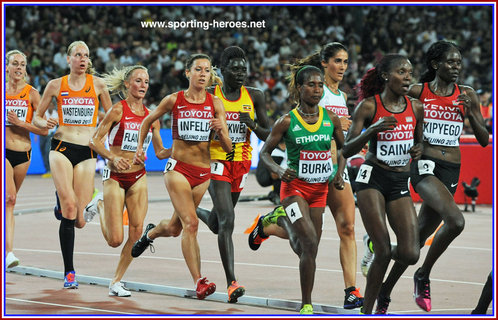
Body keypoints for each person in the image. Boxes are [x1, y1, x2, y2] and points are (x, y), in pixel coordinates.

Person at [370, 41, 489, 314]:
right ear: (436, 65)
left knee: (415, 244)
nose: (456, 67)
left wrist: (471, 111)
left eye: (459, 62)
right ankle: (423, 275)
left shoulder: (467, 94)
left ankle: (384, 290)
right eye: (450, 62)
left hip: (451, 171)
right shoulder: (418, 91)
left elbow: (484, 141)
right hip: (424, 166)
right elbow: (387, 105)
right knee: (456, 221)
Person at [130, 53, 232, 300]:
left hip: (203, 173)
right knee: (192, 224)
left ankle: (151, 233)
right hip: (178, 170)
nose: (202, 74)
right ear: (188, 73)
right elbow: (147, 121)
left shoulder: (215, 104)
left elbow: (229, 149)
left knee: (175, 228)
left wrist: (220, 132)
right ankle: (199, 281)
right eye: (198, 69)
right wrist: (141, 147)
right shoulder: (174, 100)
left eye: (207, 70)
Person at [250, 65, 345, 314]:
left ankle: (273, 223)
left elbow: (344, 150)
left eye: (320, 85)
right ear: (299, 88)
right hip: (294, 190)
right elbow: (265, 153)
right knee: (310, 242)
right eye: (311, 85)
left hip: (319, 191)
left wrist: (340, 174)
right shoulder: (287, 121)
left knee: (306, 248)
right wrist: (280, 171)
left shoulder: (331, 118)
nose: (316, 89)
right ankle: (306, 303)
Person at [342, 54, 424, 314]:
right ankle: (369, 312)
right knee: (384, 250)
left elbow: (419, 142)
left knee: (411, 253)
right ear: (387, 76)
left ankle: (373, 249)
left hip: (400, 180)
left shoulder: (416, 107)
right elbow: (346, 149)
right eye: (402, 72)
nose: (408, 77)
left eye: (410, 72)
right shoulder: (368, 106)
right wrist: (371, 130)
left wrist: (418, 149)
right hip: (373, 178)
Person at [82, 65, 171, 296]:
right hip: (115, 176)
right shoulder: (117, 111)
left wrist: (182, 147)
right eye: (138, 81)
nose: (143, 85)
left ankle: (116, 281)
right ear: (127, 85)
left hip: (138, 176)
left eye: (146, 81)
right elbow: (95, 141)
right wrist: (112, 157)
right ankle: (99, 203)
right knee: (114, 239)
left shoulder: (153, 117)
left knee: (136, 232)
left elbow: (160, 152)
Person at [33, 40, 112, 288]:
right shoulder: (56, 85)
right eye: (78, 55)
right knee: (69, 208)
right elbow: (37, 115)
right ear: (68, 59)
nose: (82, 59)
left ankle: (67, 200)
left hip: (87, 151)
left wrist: (104, 132)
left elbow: (112, 117)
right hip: (61, 147)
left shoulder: (98, 85)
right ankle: (69, 273)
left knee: (79, 220)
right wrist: (44, 123)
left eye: (86, 55)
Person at [195, 46, 270, 303]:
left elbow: (269, 135)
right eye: (235, 69)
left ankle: (188, 208)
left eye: (244, 69)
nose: (240, 73)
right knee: (228, 221)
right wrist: (212, 133)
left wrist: (252, 124)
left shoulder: (255, 96)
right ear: (222, 70)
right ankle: (232, 283)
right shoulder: (210, 95)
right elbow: (197, 133)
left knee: (217, 224)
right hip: (215, 161)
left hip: (241, 163)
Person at [5, 50, 48, 268]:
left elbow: (42, 131)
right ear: (7, 67)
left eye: (23, 64)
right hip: (4, 150)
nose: (20, 68)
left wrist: (22, 123)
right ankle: (9, 253)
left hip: (23, 154)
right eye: (15, 63)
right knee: (10, 199)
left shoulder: (32, 94)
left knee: (9, 204)